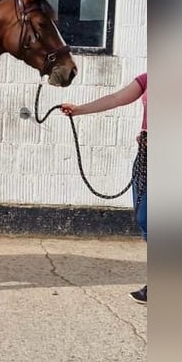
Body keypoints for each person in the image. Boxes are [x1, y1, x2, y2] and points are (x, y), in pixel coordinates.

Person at [60, 73, 147, 304]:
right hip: (147, 156)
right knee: (144, 218)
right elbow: (116, 98)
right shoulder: (149, 79)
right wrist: (78, 110)